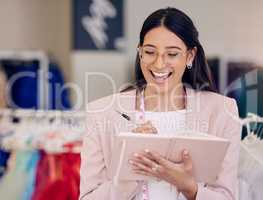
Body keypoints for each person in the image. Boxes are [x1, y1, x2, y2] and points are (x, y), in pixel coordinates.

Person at [79, 7, 241, 200]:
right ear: (140, 53)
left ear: (190, 56)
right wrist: (130, 170)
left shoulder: (223, 112)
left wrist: (189, 187)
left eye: (172, 54)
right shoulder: (102, 113)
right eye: (150, 52)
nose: (158, 64)